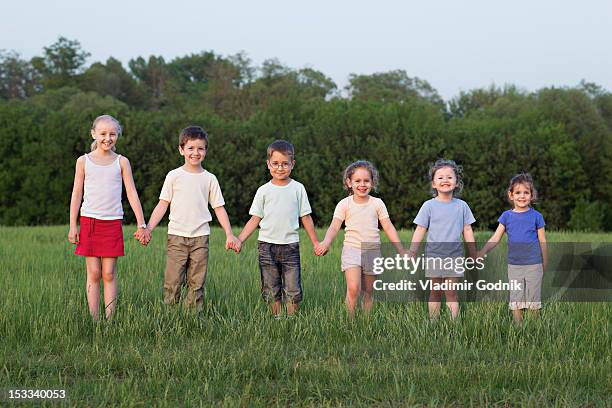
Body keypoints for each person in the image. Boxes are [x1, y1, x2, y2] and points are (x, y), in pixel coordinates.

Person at [139, 126, 239, 310]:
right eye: (191, 148)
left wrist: (230, 234)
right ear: (181, 149)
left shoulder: (210, 178)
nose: (195, 152)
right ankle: (171, 313)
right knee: (173, 280)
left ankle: (193, 316)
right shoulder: (174, 176)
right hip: (177, 236)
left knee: (197, 281)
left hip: (201, 237)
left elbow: (219, 208)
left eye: (200, 148)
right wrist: (148, 228)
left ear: (206, 151)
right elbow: (163, 204)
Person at [68, 114, 150, 321]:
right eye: (103, 133)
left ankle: (110, 321)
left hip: (112, 223)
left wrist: (142, 224)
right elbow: (76, 194)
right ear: (93, 134)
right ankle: (94, 321)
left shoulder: (122, 162)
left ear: (118, 135)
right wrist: (72, 226)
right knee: (94, 273)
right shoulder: (83, 161)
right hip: (89, 223)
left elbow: (131, 193)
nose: (107, 138)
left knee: (109, 274)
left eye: (112, 134)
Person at [234, 140, 319, 318]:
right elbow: (254, 219)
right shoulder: (263, 191)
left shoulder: (298, 189)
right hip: (267, 246)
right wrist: (240, 239)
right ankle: (277, 318)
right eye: (275, 164)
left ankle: (291, 319)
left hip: (290, 246)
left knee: (293, 288)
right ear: (268, 164)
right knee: (271, 287)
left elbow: (306, 217)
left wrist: (315, 243)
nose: (280, 168)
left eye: (285, 164)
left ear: (292, 164)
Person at [316, 161, 406, 316]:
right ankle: (349, 324)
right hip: (352, 249)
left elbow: (388, 227)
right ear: (349, 183)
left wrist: (401, 250)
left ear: (372, 182)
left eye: (366, 181)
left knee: (368, 290)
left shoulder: (377, 203)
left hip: (373, 251)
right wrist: (326, 242)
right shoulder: (344, 204)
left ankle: (365, 323)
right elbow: (334, 226)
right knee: (353, 288)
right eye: (357, 181)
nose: (362, 185)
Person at [409, 159, 476, 320]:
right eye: (440, 177)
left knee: (451, 292)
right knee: (435, 291)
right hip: (434, 255)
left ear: (457, 183)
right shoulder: (428, 206)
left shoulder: (462, 206)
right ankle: (434, 322)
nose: (445, 180)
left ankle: (453, 324)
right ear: (433, 184)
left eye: (449, 177)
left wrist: (473, 252)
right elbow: (420, 229)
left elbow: (467, 229)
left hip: (454, 256)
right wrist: (412, 250)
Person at [478, 173, 547, 324]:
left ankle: (534, 328)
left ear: (532, 195)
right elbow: (495, 238)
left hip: (534, 264)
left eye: (526, 192)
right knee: (516, 297)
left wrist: (544, 263)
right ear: (511, 195)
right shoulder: (506, 216)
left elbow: (543, 241)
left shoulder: (537, 216)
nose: (522, 196)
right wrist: (482, 252)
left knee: (533, 298)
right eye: (518, 192)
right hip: (514, 265)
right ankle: (518, 327)